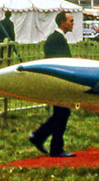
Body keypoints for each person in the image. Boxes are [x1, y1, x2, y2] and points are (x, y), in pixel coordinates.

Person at [28, 11, 76, 157]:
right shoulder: (56, 39)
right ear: (63, 23)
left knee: (61, 113)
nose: (73, 23)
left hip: (58, 82)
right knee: (62, 113)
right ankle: (53, 146)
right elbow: (59, 61)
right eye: (71, 21)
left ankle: (40, 137)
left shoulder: (57, 38)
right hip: (58, 82)